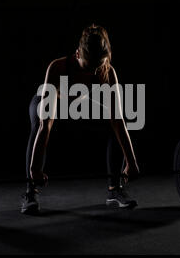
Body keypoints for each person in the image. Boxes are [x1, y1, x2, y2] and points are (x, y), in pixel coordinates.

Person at [22, 24, 140, 214]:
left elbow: (117, 121)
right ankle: (30, 191)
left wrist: (131, 162)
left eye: (98, 67)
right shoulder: (57, 67)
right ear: (78, 55)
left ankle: (114, 190)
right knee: (39, 120)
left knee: (118, 121)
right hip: (53, 105)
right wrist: (35, 169)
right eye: (88, 66)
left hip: (79, 106)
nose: (93, 73)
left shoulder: (108, 72)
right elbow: (46, 123)